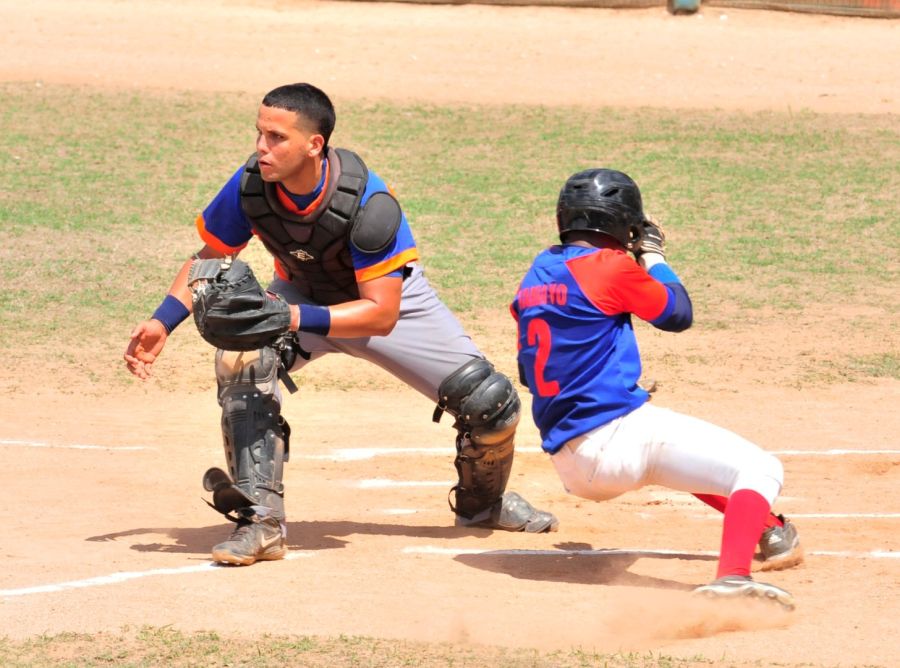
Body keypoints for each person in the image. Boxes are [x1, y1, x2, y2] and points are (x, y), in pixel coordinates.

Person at [123, 82, 558, 566]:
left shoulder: (368, 203)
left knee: (491, 404)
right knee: (243, 357)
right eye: (259, 133)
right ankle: (261, 523)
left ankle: (483, 507)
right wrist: (163, 321)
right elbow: (212, 255)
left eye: (277, 137)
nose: (262, 147)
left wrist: (288, 316)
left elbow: (382, 312)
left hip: (383, 305)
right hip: (302, 292)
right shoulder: (252, 185)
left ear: (314, 144)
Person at [510, 168, 803, 609]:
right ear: (619, 222)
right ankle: (732, 578)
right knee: (760, 468)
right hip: (616, 442)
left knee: (679, 452)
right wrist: (654, 257)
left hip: (570, 460)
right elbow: (677, 314)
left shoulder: (537, 274)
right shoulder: (608, 267)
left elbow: (529, 373)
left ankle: (768, 528)